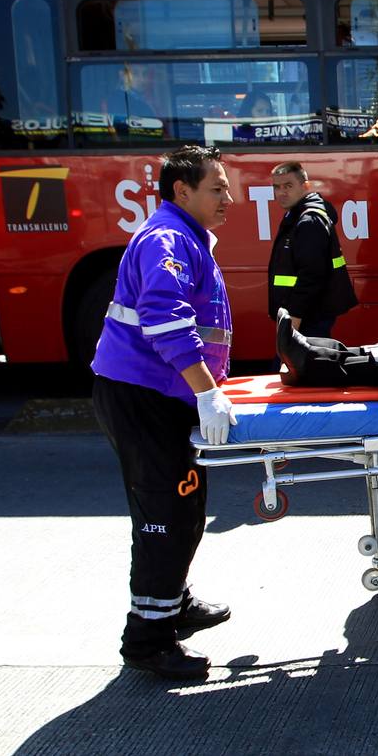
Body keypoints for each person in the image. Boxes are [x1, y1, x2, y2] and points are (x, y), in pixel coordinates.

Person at [89, 144, 236, 681]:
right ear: (183, 191)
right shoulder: (168, 239)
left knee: (186, 506)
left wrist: (204, 388)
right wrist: (206, 391)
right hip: (143, 396)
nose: (229, 198)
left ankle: (172, 605)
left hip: (159, 396)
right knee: (163, 518)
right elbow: (163, 316)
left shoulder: (187, 236)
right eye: (217, 188)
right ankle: (147, 640)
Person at [267, 161, 357, 339]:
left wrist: (293, 321)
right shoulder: (298, 215)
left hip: (307, 318)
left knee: (298, 365)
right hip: (308, 316)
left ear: (305, 186)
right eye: (277, 187)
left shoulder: (308, 221)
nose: (281, 193)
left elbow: (312, 276)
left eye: (288, 186)